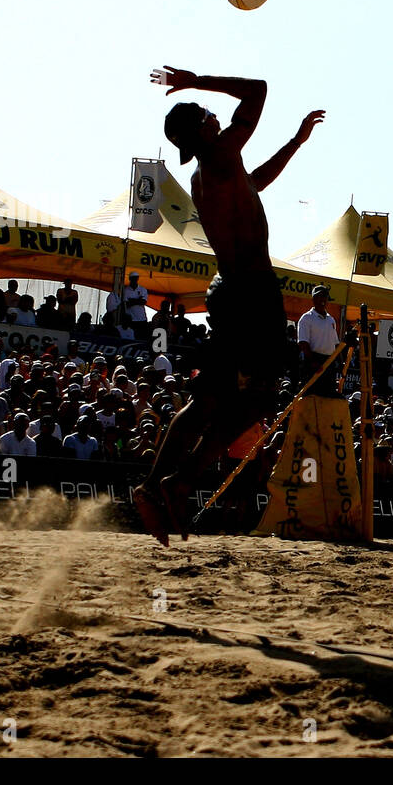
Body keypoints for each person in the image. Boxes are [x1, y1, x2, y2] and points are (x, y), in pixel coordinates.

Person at [132, 64, 325, 545]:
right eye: (207, 113)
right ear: (201, 129)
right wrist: (194, 81)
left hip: (230, 290)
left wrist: (296, 144)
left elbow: (255, 181)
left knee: (208, 401)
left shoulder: (212, 169)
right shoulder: (217, 153)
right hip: (252, 292)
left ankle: (153, 487)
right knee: (258, 400)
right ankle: (182, 482)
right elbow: (259, 89)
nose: (218, 116)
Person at [296, 284, 341, 393]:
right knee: (311, 394)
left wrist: (340, 362)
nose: (322, 300)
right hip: (313, 362)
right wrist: (313, 362)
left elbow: (335, 343)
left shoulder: (331, 320)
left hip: (329, 363)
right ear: (313, 299)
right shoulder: (307, 318)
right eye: (319, 296)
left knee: (328, 395)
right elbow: (303, 343)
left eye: (325, 297)